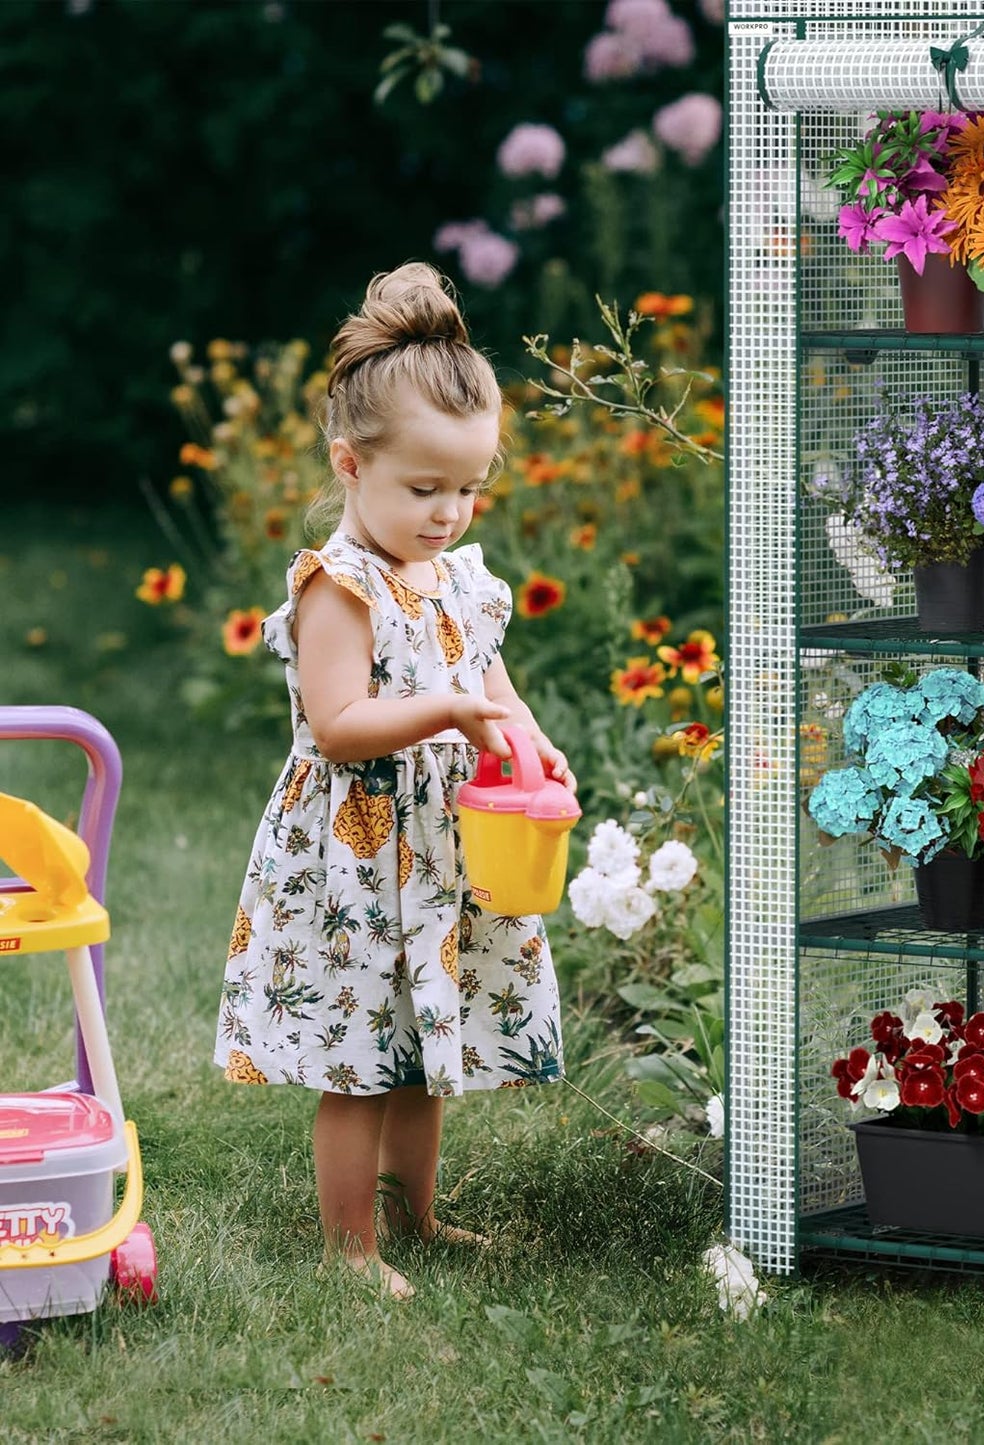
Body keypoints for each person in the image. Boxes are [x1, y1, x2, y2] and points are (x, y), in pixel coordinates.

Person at [214, 262, 574, 1300]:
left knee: (425, 1041)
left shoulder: (460, 574)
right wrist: (450, 714)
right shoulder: (342, 583)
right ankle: (349, 1245)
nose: (449, 511)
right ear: (349, 464)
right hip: (357, 851)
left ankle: (417, 1212)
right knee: (359, 1054)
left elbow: (492, 682)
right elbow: (338, 723)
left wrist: (528, 742)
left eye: (467, 488)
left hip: (444, 847)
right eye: (424, 489)